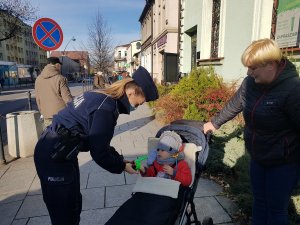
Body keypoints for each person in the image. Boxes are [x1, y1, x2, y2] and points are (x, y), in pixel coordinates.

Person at [34, 66, 159, 225]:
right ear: (132, 92)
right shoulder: (106, 108)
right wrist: (121, 166)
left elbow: (99, 143)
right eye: (140, 103)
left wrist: (122, 161)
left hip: (61, 151)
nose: (138, 107)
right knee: (64, 211)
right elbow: (99, 153)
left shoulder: (102, 96)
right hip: (54, 156)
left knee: (73, 203)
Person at [203, 38, 300, 225]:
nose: (248, 72)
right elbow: (234, 104)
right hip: (258, 157)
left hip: (283, 163)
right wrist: (213, 123)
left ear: (271, 65)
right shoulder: (250, 83)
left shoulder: (293, 90)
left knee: (276, 210)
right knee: (260, 203)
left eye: (253, 68)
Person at [35, 57, 72, 128]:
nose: (60, 67)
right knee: (62, 137)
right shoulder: (60, 78)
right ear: (57, 65)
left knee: (50, 136)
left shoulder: (38, 79)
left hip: (46, 116)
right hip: (60, 116)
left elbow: (38, 99)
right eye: (60, 65)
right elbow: (67, 99)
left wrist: (43, 112)